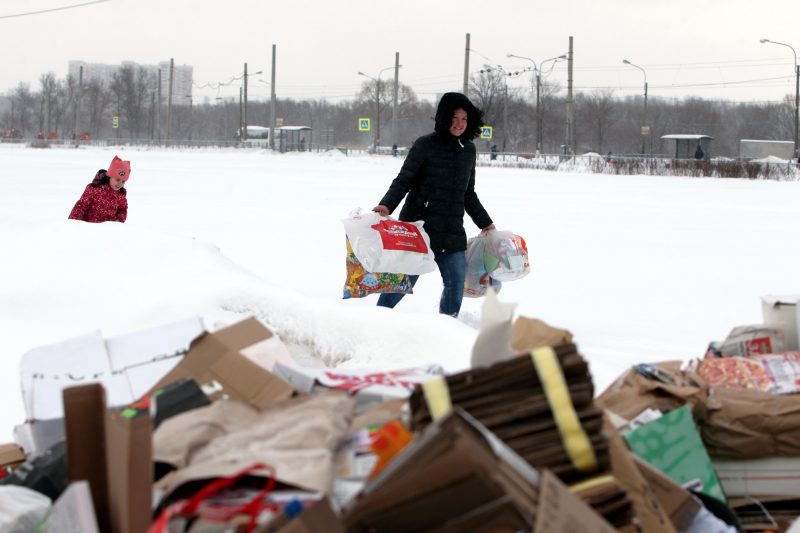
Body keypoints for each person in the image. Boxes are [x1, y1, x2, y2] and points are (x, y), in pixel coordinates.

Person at [372, 92, 495, 317]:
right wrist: (386, 206)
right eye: (455, 118)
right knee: (404, 281)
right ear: (444, 117)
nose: (459, 124)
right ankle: (379, 320)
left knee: (456, 282)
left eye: (465, 119)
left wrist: (486, 223)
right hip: (419, 228)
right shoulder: (425, 144)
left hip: (451, 230)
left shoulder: (468, 150)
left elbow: (468, 193)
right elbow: (404, 180)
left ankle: (446, 329)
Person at [68, 155, 131, 223]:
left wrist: (119, 222)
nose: (120, 184)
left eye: (123, 181)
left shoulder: (120, 194)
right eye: (117, 180)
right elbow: (81, 206)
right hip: (89, 227)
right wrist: (73, 223)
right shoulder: (94, 189)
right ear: (110, 176)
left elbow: (122, 209)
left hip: (108, 229)